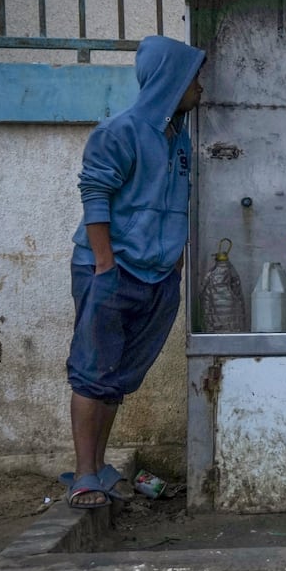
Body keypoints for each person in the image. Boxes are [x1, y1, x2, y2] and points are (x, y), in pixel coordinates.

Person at [63, 35, 205, 509]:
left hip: (157, 275)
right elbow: (95, 194)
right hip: (113, 270)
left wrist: (175, 263)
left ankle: (100, 466)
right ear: (171, 80)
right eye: (193, 78)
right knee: (92, 373)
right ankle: (84, 475)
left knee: (118, 376)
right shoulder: (119, 132)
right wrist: (105, 264)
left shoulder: (179, 138)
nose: (200, 87)